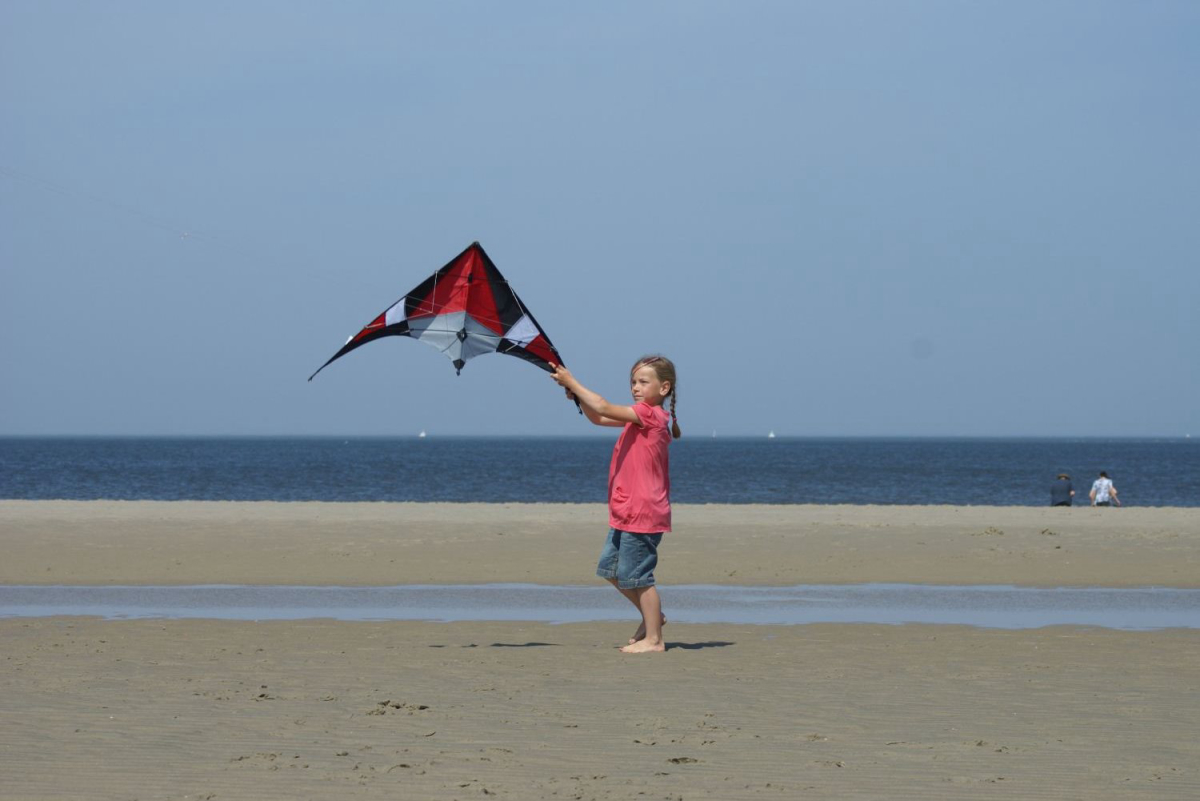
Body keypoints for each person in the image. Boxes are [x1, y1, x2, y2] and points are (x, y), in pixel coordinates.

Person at [550, 355, 682, 654]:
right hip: (625, 511)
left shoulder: (651, 415)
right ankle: (654, 620)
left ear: (664, 388)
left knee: (639, 577)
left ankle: (654, 639)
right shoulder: (638, 417)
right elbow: (598, 416)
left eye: (643, 382)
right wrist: (577, 397)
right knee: (611, 570)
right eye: (633, 382)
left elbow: (604, 406)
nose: (636, 387)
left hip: (643, 511)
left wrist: (574, 382)